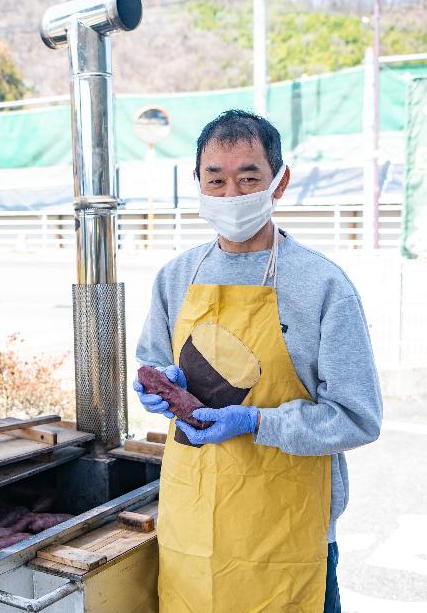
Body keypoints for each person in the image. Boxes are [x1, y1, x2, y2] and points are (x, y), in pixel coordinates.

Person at [134, 109, 382, 612]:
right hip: (192, 528)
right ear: (197, 183)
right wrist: (156, 384)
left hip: (287, 538)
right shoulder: (176, 276)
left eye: (249, 179)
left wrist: (254, 420)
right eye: (216, 180)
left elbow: (359, 417)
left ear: (279, 182)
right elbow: (152, 361)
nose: (232, 196)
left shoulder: (323, 286)